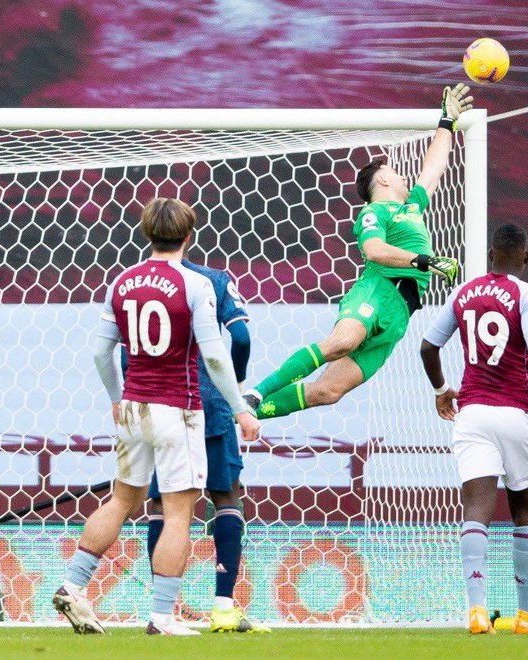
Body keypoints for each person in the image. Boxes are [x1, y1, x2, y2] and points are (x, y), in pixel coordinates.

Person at [53, 198, 260, 635]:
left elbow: (99, 350)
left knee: (122, 500)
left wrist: (115, 395)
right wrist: (240, 408)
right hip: (178, 409)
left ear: (147, 233)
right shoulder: (195, 285)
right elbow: (217, 357)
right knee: (180, 512)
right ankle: (162, 617)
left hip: (132, 405)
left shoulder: (122, 281)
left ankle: (73, 585)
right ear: (189, 235)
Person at [244, 85, 473, 419]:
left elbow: (434, 167)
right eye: (393, 171)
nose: (402, 174)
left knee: (327, 391)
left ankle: (240, 415)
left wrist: (447, 122)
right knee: (343, 342)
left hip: (399, 314)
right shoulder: (374, 213)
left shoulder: (412, 207)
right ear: (381, 182)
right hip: (377, 291)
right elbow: (374, 249)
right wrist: (424, 260)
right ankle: (254, 394)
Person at [419, 223, 528, 635]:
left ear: (490, 255)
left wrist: (440, 389)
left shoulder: (462, 292)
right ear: (526, 256)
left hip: (471, 414)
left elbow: (428, 347)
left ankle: (476, 611)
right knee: (525, 512)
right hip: (516, 413)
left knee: (476, 509)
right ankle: (525, 615)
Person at [133, 260, 269, 633]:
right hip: (210, 403)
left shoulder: (135, 282)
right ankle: (223, 608)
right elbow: (240, 337)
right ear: (188, 234)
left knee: (164, 505)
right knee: (225, 497)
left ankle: (163, 611)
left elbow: (126, 351)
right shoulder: (213, 280)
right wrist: (235, 388)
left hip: (163, 405)